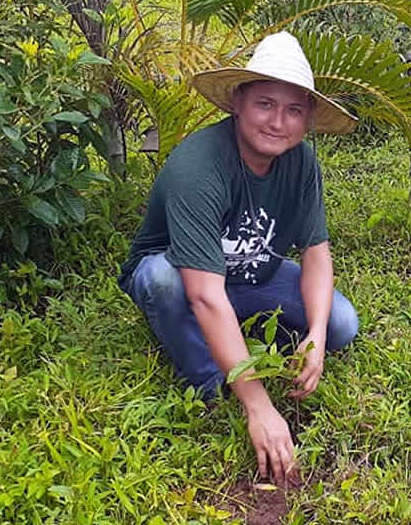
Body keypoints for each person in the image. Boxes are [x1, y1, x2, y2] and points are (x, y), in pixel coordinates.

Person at [117, 32, 360, 486]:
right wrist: (258, 403)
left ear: (307, 118)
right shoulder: (199, 165)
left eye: (293, 110)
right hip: (182, 269)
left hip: (250, 273)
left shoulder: (301, 163)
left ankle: (242, 347)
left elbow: (316, 253)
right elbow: (206, 294)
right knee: (162, 282)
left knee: (343, 323)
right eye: (265, 104)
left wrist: (317, 336)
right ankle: (211, 383)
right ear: (238, 103)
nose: (277, 122)